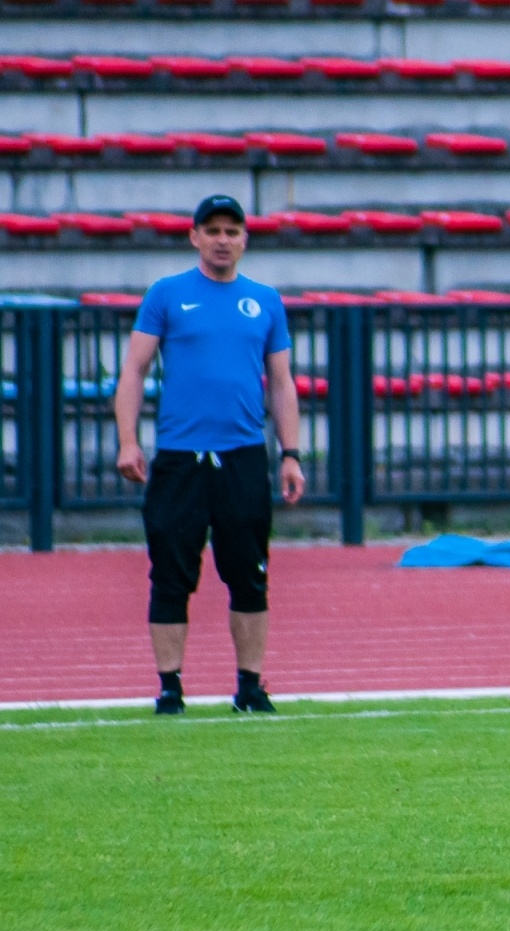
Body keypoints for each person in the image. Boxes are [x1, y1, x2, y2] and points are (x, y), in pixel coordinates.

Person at [112, 193, 304, 716]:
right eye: (212, 230)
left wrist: (290, 453)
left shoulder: (264, 300)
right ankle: (170, 688)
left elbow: (282, 383)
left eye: (232, 231)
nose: (222, 240)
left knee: (248, 572)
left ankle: (250, 685)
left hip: (242, 456)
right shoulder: (168, 295)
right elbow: (134, 370)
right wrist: (128, 441)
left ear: (245, 239)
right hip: (180, 458)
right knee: (171, 573)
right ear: (194, 236)